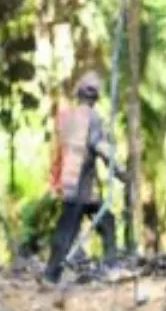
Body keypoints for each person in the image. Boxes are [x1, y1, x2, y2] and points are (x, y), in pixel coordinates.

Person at [44, 73, 121, 284]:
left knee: (83, 227)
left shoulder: (66, 118)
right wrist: (119, 168)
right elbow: (99, 146)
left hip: (70, 184)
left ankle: (51, 275)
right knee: (96, 226)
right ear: (95, 98)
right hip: (83, 188)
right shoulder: (92, 118)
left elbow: (59, 152)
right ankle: (110, 267)